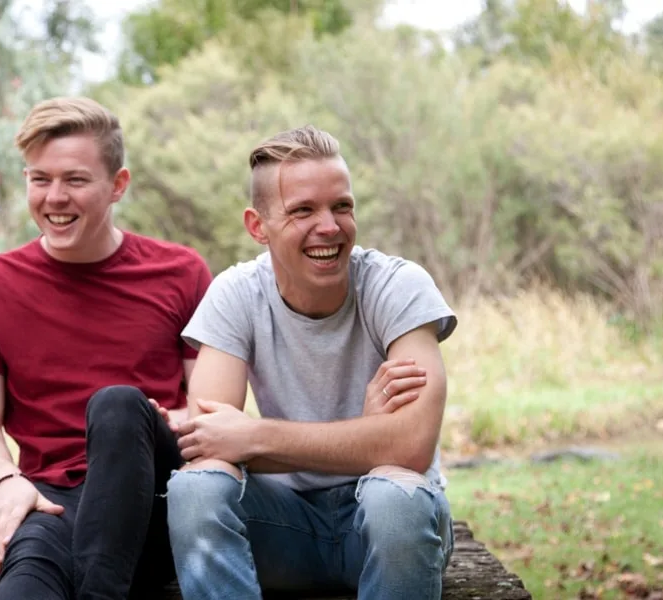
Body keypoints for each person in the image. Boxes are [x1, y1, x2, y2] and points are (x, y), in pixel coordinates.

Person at [166, 125, 458, 600]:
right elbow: (211, 444)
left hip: (387, 529)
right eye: (303, 210)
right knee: (195, 489)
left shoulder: (398, 286)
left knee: (394, 498)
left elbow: (411, 446)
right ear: (257, 226)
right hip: (284, 527)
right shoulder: (236, 293)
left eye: (341, 206)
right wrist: (366, 436)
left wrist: (257, 435)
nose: (330, 226)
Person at [0, 96, 212, 599]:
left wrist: (160, 416)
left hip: (154, 505)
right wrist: (5, 480)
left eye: (74, 180)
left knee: (117, 404)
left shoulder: (180, 273)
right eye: (39, 179)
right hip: (50, 504)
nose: (54, 198)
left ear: (117, 185)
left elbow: (207, 408)